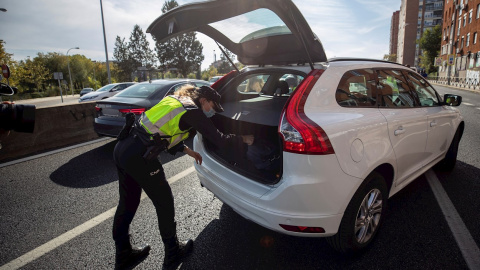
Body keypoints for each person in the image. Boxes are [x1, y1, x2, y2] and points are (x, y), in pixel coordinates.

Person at [112, 85, 254, 269]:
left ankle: (123, 254)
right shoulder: (193, 111)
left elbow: (161, 130)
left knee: (127, 203)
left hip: (123, 148)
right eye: (212, 106)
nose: (212, 111)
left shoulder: (176, 100)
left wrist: (187, 150)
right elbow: (218, 139)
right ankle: (173, 253)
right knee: (165, 203)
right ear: (203, 101)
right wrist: (244, 139)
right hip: (139, 157)